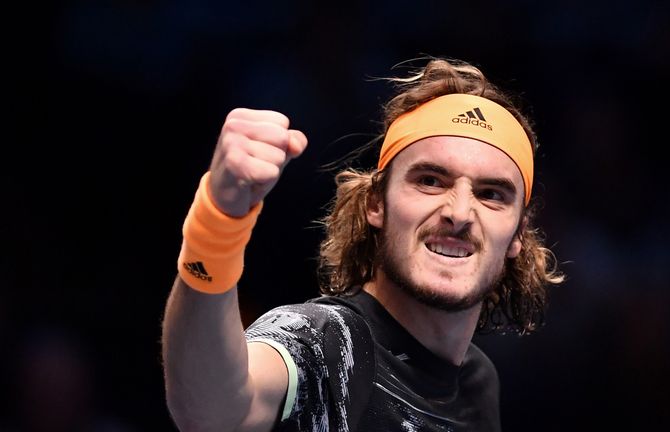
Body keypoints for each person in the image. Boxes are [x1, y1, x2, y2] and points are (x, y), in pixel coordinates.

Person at [161, 58, 564, 432]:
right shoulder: (324, 339)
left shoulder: (477, 382)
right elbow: (215, 413)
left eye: (491, 194)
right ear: (376, 204)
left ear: (517, 235)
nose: (459, 213)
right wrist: (217, 224)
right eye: (429, 181)